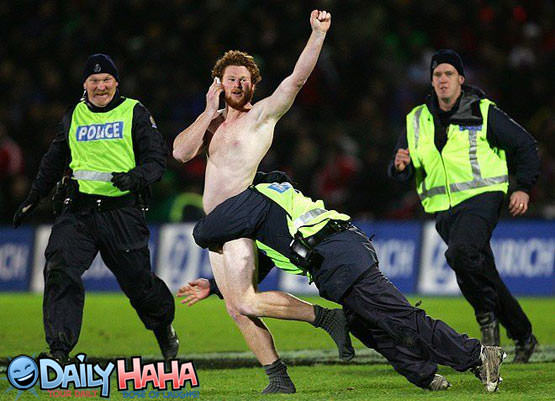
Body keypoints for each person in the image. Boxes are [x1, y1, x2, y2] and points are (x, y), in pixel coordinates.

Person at [188, 171, 507, 392]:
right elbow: (266, 261)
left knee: (399, 317)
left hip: (336, 256)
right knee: (365, 325)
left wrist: (222, 223)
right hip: (340, 249)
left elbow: (203, 232)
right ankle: (425, 376)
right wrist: (215, 286)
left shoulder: (251, 199)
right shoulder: (272, 198)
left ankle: (479, 355)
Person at [173, 11, 336, 394]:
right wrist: (207, 111)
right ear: (218, 83)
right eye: (232, 78)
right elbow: (180, 153)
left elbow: (296, 79)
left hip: (240, 222)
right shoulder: (212, 122)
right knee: (236, 308)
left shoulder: (261, 116)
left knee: (246, 301)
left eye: (245, 80)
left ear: (253, 85)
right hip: (216, 228)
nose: (239, 84)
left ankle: (327, 319)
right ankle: (278, 377)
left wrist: (317, 34)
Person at [12, 54, 178, 362]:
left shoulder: (135, 112)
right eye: (94, 81)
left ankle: (162, 325)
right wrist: (34, 197)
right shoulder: (74, 114)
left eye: (106, 80)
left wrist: (136, 177)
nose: (100, 86)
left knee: (139, 285)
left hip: (122, 213)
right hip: (77, 213)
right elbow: (54, 159)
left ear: (116, 82)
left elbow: (157, 160)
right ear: (85, 84)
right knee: (60, 270)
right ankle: (59, 351)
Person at [388, 49, 540, 363]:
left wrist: (523, 188)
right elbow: (404, 166)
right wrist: (400, 167)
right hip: (443, 207)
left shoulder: (483, 111)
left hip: (483, 197)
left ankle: (486, 319)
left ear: (461, 79)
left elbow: (525, 145)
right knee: (482, 270)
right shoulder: (416, 119)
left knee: (460, 254)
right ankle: (524, 335)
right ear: (431, 81)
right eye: (437, 74)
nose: (442, 80)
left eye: (448, 74)